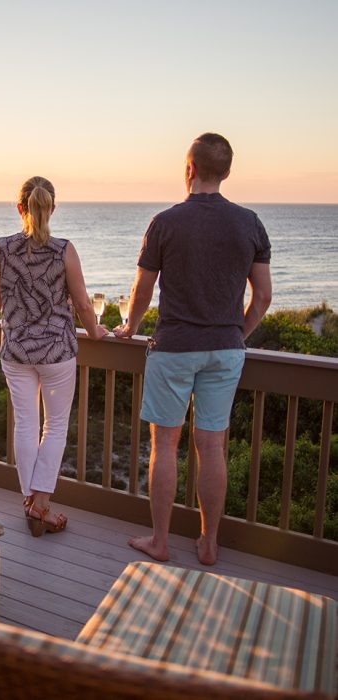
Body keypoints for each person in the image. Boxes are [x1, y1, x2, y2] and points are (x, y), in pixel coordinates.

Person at [113, 133, 272, 565]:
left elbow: (142, 291)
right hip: (226, 348)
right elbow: (262, 297)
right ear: (226, 172)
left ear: (190, 169)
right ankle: (208, 543)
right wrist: (237, 333)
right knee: (212, 444)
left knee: (165, 445)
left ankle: (160, 542)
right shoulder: (250, 223)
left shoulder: (165, 222)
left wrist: (130, 325)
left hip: (175, 347)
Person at [0, 176, 107, 537]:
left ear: (19, 207)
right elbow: (84, 303)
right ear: (52, 207)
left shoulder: (1, 248)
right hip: (56, 351)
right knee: (54, 426)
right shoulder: (63, 250)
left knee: (25, 423)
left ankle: (31, 503)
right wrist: (96, 330)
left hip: (16, 350)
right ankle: (40, 505)